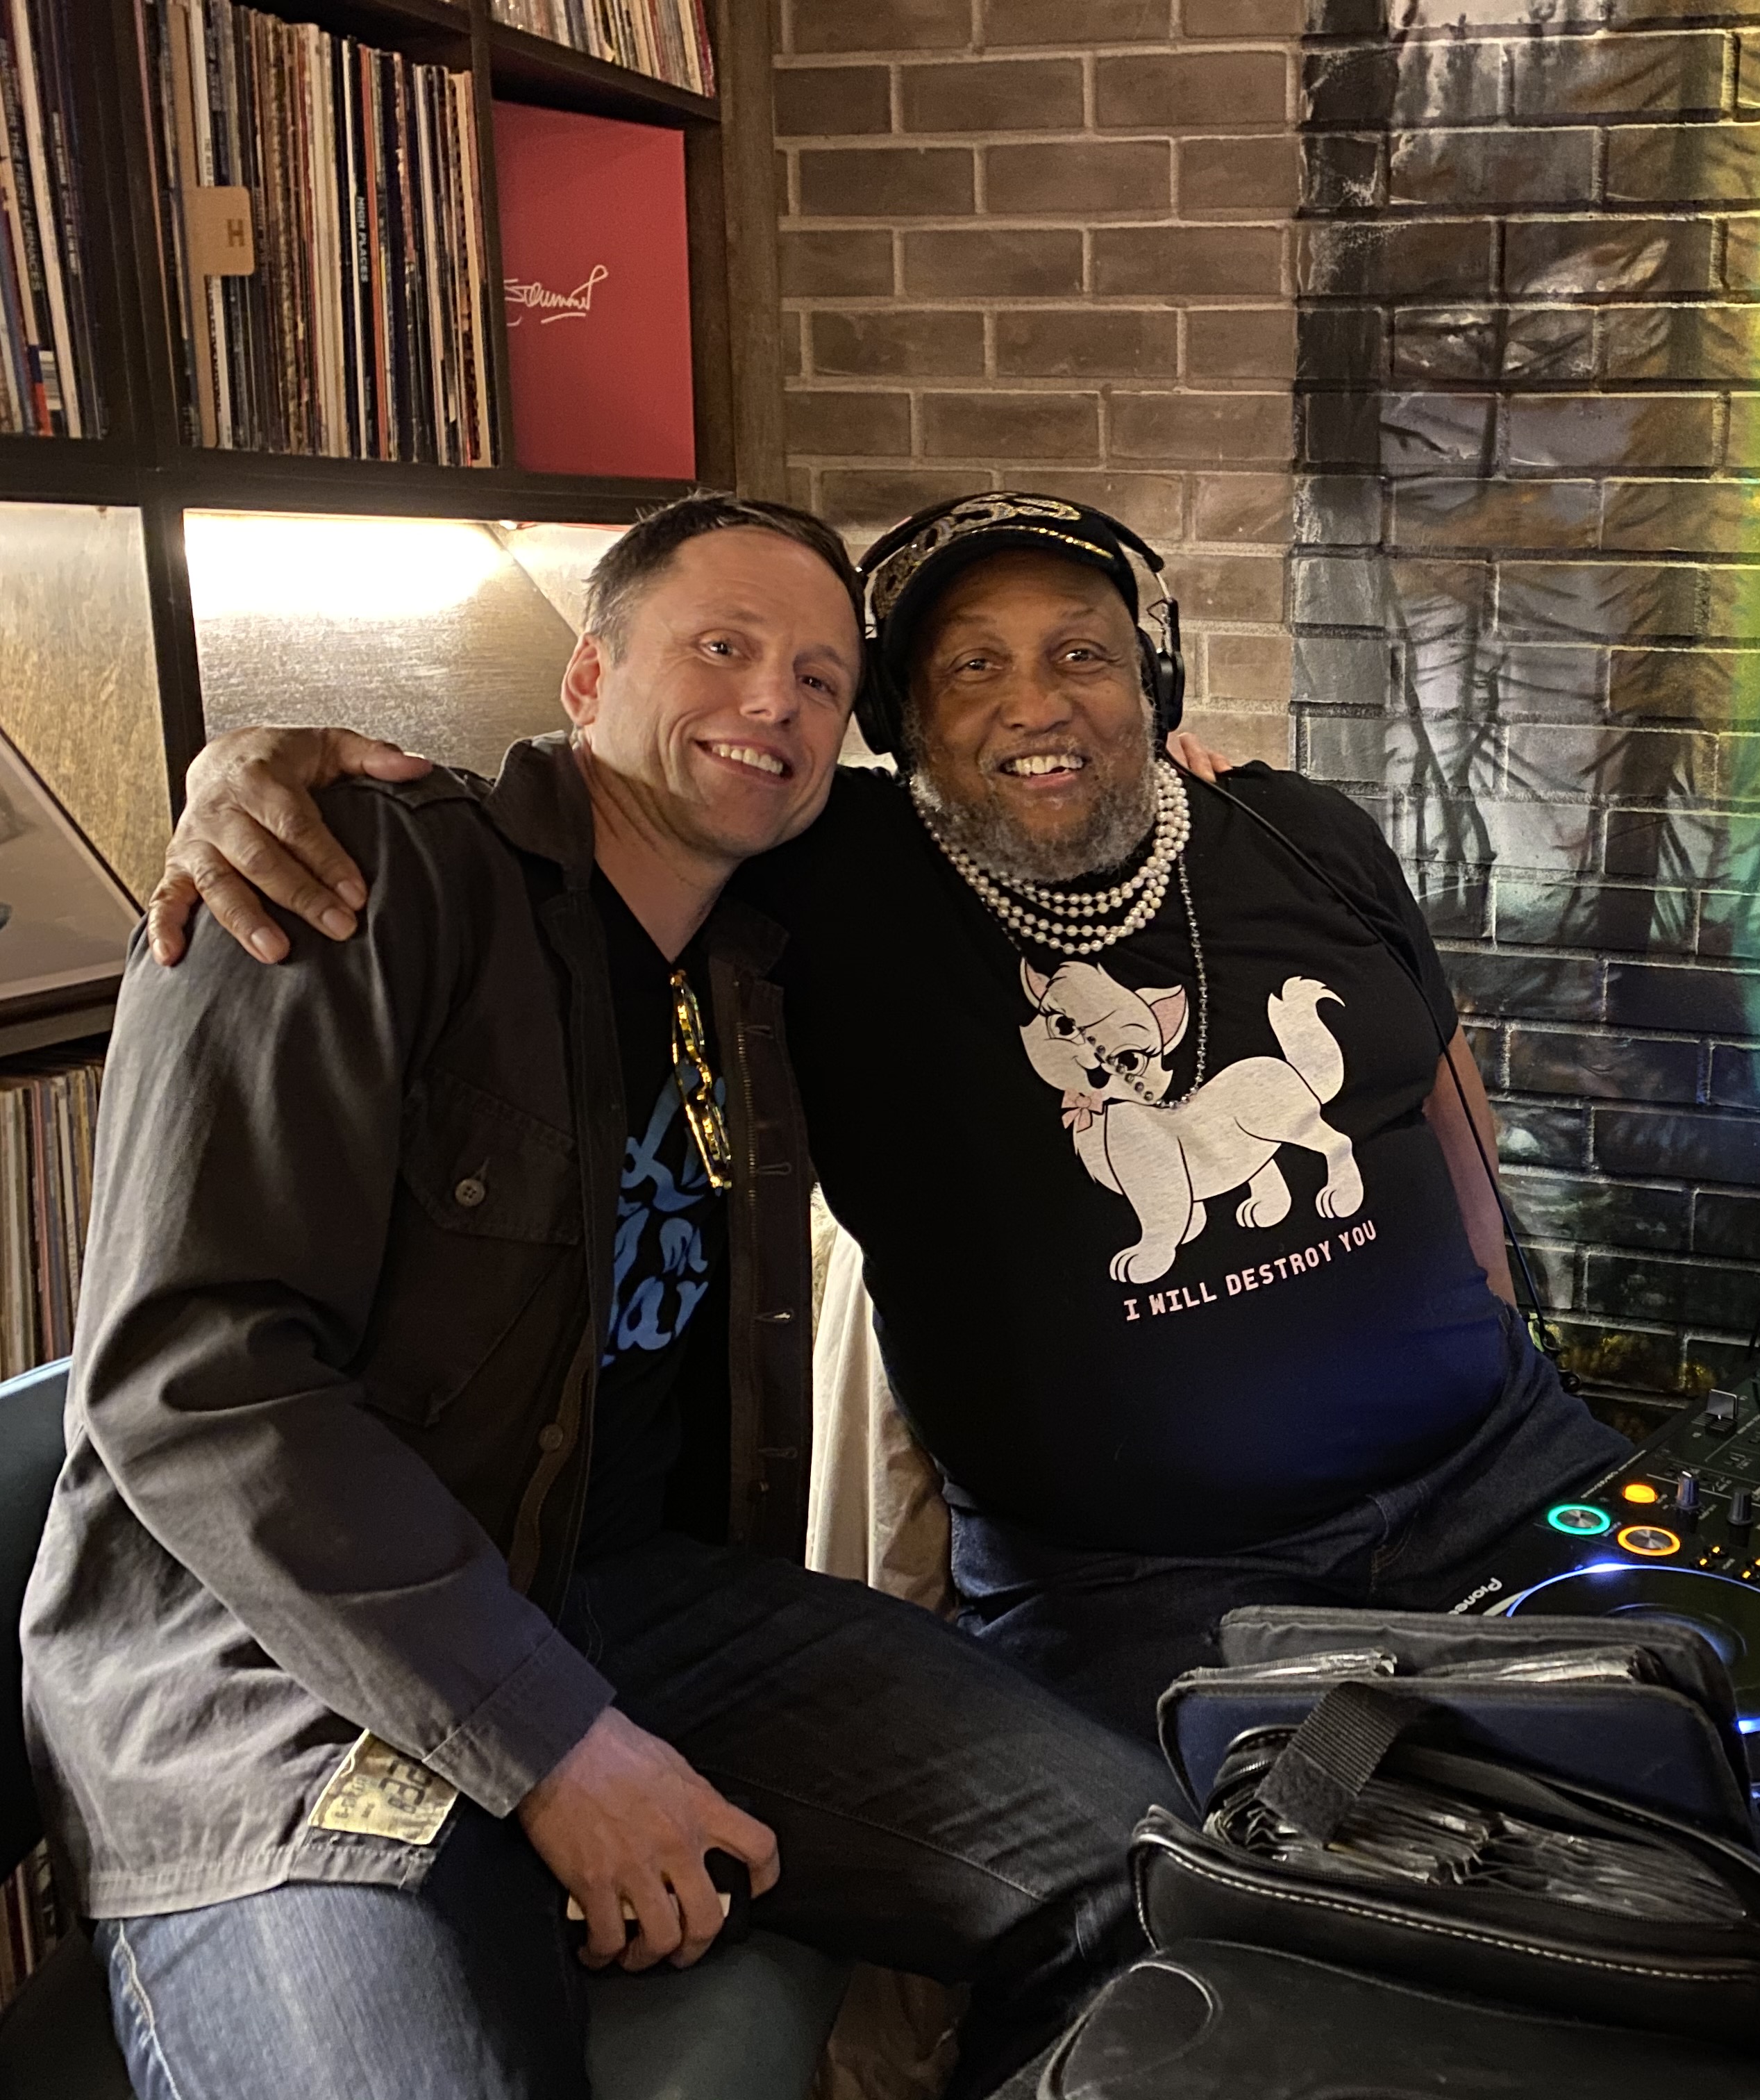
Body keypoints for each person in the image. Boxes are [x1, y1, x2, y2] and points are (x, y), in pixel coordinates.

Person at [154, 490, 1632, 1747]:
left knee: (1723, 1772)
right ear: (900, 730)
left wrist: (1500, 1342)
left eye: (1082, 655)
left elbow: (1445, 1115)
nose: (1038, 703)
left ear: (1156, 685)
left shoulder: (1302, 831)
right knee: (1248, 1925)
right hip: (1138, 1589)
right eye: (972, 667)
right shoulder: (826, 878)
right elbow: (611, 804)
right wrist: (259, 770)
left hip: (1498, 1480)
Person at [28, 494, 1161, 2100]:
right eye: (723, 647)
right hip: (277, 1669)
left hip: (629, 1601)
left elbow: (1044, 790)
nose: (773, 701)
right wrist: (553, 1740)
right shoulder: (348, 880)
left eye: (822, 680)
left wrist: (1194, 797)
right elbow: (195, 1385)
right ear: (585, 677)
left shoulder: (759, 944)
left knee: (1160, 1878)